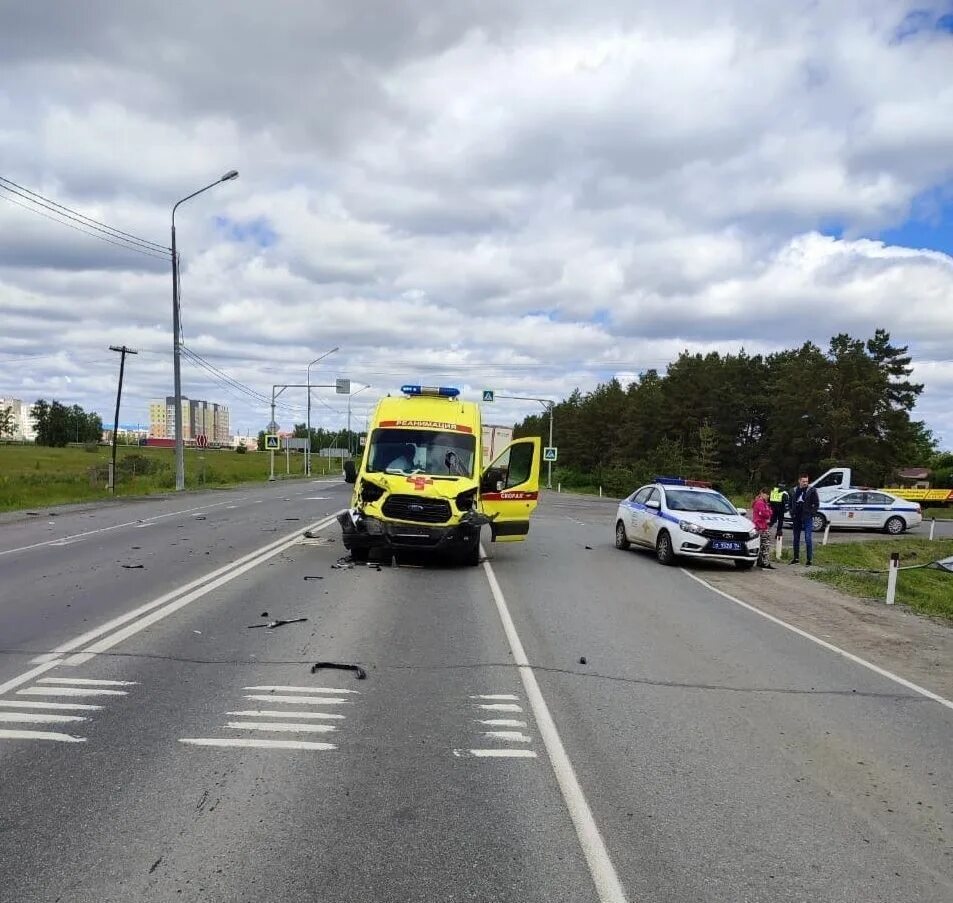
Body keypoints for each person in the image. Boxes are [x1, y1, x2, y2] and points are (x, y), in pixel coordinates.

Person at [789, 473, 820, 566]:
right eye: (803, 481)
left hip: (807, 517)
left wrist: (812, 513)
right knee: (796, 538)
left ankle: (809, 560)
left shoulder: (812, 490)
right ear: (799, 481)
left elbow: (816, 504)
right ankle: (796, 558)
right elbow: (790, 503)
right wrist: (791, 512)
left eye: (807, 481)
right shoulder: (793, 490)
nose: (805, 483)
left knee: (808, 538)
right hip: (796, 517)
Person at [751, 488, 774, 569]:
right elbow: (766, 514)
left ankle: (760, 561)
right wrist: (768, 512)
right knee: (765, 545)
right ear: (762, 494)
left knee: (761, 545)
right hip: (761, 526)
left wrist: (768, 511)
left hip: (760, 526)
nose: (768, 496)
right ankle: (765, 562)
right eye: (767, 495)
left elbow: (770, 512)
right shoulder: (760, 503)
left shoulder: (763, 503)